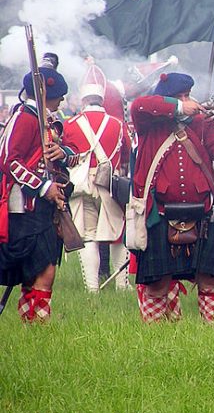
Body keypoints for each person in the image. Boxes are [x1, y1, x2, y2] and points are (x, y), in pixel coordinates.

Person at [130, 72, 214, 322]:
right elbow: (140, 105)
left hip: (202, 211)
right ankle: (154, 338)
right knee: (158, 283)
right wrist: (180, 106)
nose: (186, 100)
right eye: (178, 96)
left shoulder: (201, 123)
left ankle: (211, 336)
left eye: (187, 95)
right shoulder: (150, 121)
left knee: (209, 279)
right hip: (160, 211)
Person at [0, 67, 74, 322]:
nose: (62, 100)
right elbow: (10, 161)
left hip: (44, 206)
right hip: (27, 205)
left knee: (44, 269)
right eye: (58, 95)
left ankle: (35, 325)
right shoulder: (25, 117)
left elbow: (71, 154)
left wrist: (62, 152)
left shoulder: (46, 119)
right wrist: (44, 187)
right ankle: (36, 325)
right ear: (45, 93)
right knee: (42, 270)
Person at [63, 63, 131, 292]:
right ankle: (122, 285)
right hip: (109, 183)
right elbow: (127, 154)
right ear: (102, 100)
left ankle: (92, 289)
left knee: (88, 236)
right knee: (118, 235)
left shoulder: (70, 125)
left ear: (83, 99)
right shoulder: (118, 125)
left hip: (82, 185)